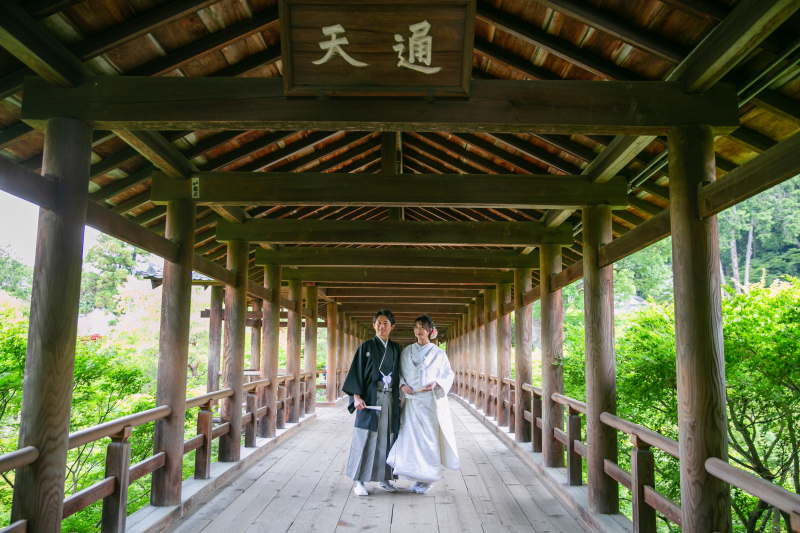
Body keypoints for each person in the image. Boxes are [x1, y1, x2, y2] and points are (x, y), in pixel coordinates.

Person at [387, 315, 459, 494]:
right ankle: (417, 478)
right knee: (411, 439)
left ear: (430, 331)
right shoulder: (406, 352)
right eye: (416, 327)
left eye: (423, 327)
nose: (419, 330)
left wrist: (436, 383)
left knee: (428, 440)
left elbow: (448, 374)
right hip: (411, 403)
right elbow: (399, 373)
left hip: (429, 402)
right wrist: (402, 385)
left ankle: (427, 480)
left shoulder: (439, 353)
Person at [342, 309, 402, 496]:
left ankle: (384, 478)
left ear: (392, 327)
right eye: (379, 323)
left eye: (386, 323)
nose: (382, 327)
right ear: (374, 325)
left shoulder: (396, 349)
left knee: (387, 438)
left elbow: (403, 374)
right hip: (369, 398)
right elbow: (356, 372)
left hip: (390, 399)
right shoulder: (365, 347)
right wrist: (356, 397)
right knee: (365, 437)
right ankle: (358, 480)